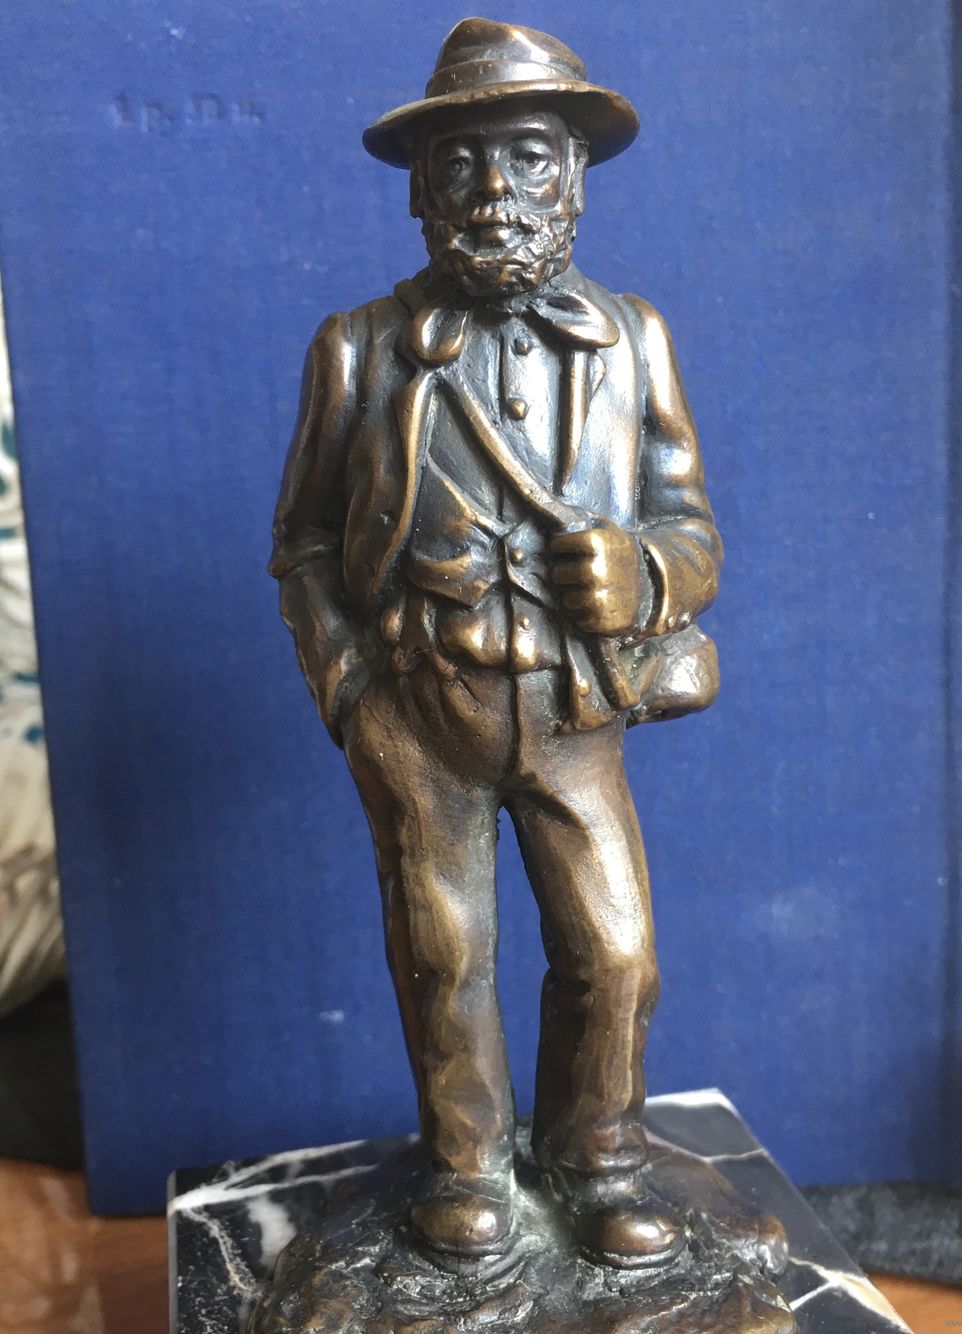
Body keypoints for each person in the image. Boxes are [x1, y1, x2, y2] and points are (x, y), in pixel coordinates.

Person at [270, 17, 723, 1273]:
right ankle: (468, 1164)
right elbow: (302, 543)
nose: (493, 189)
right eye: (460, 163)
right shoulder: (357, 348)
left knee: (614, 953)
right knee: (444, 952)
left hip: (575, 709)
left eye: (526, 156)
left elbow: (689, 522)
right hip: (422, 705)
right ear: (419, 191)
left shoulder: (633, 338)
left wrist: (646, 571)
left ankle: (599, 1156)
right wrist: (350, 692)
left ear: (573, 177)